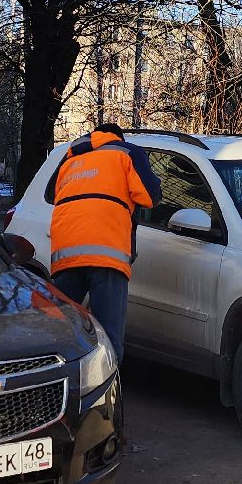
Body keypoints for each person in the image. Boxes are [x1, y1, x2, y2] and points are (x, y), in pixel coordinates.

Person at [44, 123, 160, 356]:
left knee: (62, 330)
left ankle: (63, 383)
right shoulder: (128, 152)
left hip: (66, 253)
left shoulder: (70, 157)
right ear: (118, 138)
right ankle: (107, 389)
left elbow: (50, 194)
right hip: (107, 253)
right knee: (109, 336)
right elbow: (151, 196)